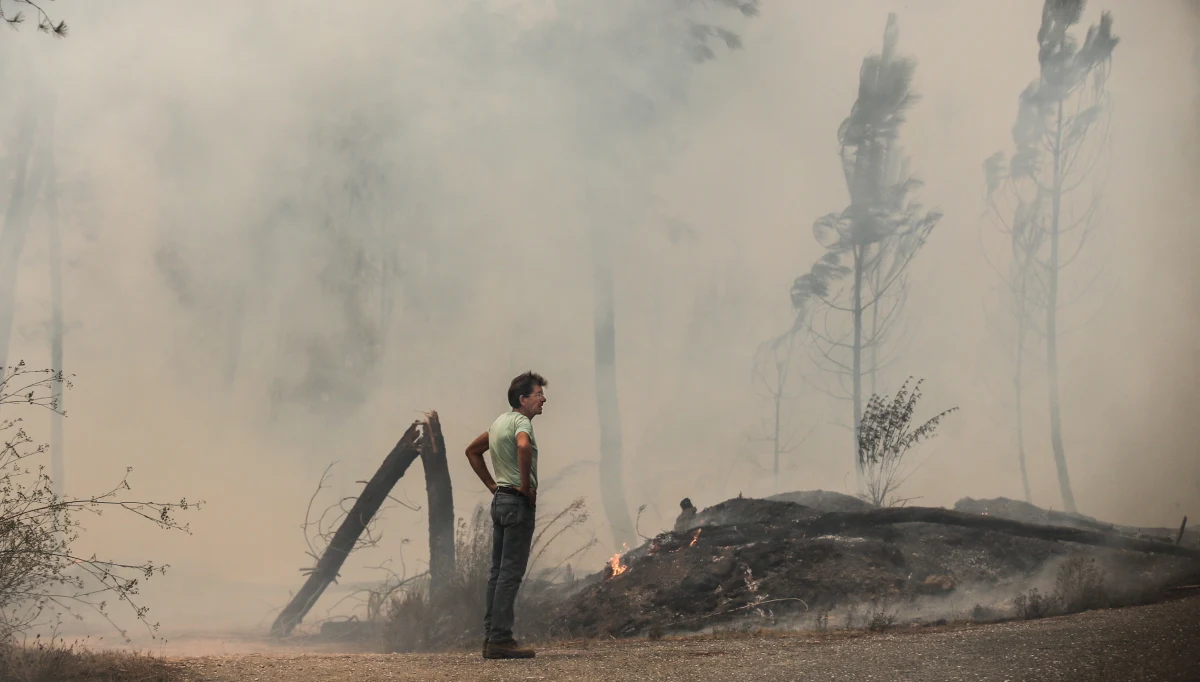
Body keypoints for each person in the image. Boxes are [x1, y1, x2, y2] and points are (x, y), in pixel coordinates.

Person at [464, 371, 547, 660]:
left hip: (500, 501)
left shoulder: (499, 423)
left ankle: (492, 638)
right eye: (538, 394)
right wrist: (525, 488)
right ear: (523, 399)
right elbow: (523, 446)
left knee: (497, 574)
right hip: (516, 503)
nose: (543, 399)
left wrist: (492, 485)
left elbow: (472, 451)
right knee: (510, 574)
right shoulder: (522, 422)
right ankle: (501, 640)